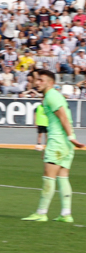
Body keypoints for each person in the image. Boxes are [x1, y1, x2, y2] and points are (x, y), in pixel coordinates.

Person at [22, 70, 84, 222]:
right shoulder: (54, 96)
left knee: (48, 177)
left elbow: (62, 116)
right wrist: (70, 139)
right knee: (63, 178)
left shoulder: (51, 96)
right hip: (65, 142)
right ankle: (66, 214)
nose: (37, 83)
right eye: (37, 80)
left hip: (59, 141)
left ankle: (41, 212)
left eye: (41, 80)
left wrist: (69, 137)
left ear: (50, 82)